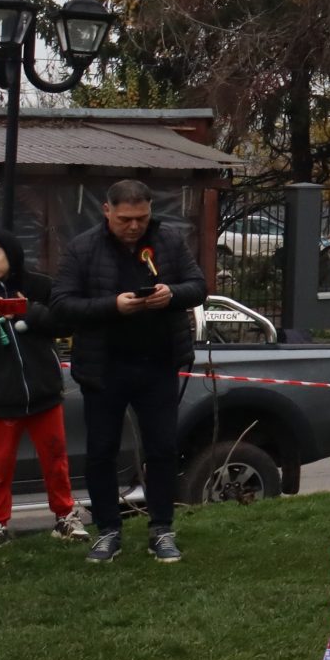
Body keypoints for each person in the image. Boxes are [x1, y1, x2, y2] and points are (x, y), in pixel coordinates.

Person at [55, 180, 206, 566]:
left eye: (142, 217)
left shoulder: (169, 241)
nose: (135, 226)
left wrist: (172, 294)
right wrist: (113, 306)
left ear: (151, 210)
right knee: (101, 450)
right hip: (104, 367)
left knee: (163, 448)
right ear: (107, 210)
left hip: (158, 363)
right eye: (125, 219)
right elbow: (62, 304)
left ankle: (162, 529)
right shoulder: (83, 247)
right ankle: (108, 530)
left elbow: (198, 287)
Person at [0, 229, 84, 546]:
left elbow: (65, 323)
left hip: (44, 391)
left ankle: (65, 516)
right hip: (1, 396)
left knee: (55, 458)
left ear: (10, 253)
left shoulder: (41, 286)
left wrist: (31, 311)